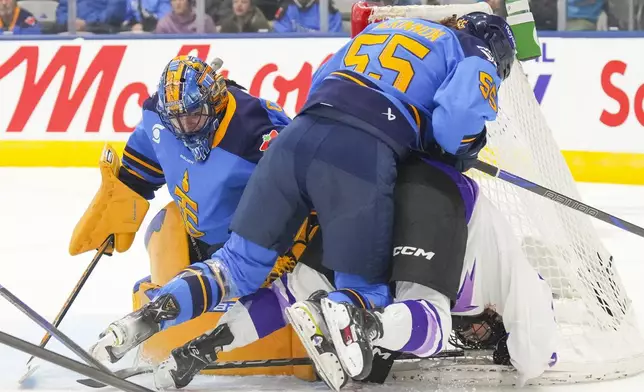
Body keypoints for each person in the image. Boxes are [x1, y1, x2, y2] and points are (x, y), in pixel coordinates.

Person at [152, 9, 515, 390]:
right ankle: (351, 327)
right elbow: (453, 126)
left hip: (326, 154)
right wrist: (463, 149)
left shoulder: (388, 32)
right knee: (385, 301)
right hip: (379, 176)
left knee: (288, 286)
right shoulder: (471, 52)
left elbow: (321, 80)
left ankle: (195, 342)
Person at [151, 155, 558, 391]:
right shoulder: (516, 274)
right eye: (485, 332)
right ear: (495, 317)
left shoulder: (484, 292)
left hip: (372, 180)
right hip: (440, 196)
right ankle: (364, 324)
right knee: (431, 321)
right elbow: (537, 351)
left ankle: (204, 346)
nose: (474, 335)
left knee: (293, 291)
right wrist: (517, 352)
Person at [69, 55, 292, 364]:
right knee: (165, 224)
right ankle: (165, 311)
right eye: (176, 120)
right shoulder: (158, 117)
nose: (185, 128)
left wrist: (294, 248)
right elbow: (143, 162)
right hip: (202, 240)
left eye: (194, 116)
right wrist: (121, 197)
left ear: (215, 103)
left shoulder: (259, 132)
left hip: (253, 248)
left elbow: (302, 190)